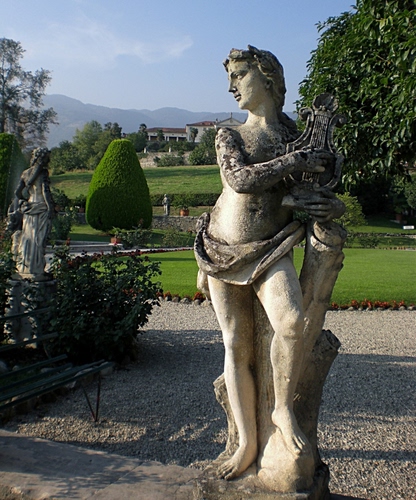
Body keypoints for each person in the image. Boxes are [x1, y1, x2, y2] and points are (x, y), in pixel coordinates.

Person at [195, 46, 342, 481]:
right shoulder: (229, 135)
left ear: (268, 77)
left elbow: (312, 188)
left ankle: (281, 409)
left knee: (292, 323)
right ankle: (246, 443)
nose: (231, 86)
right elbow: (239, 180)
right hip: (223, 247)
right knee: (236, 343)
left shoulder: (296, 135)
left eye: (240, 75)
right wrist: (296, 160)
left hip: (272, 245)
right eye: (231, 77)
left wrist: (328, 206)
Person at [13, 147, 54, 279]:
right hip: (41, 207)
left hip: (29, 208)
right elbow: (45, 191)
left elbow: (17, 192)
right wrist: (51, 208)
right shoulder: (43, 172)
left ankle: (25, 267)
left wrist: (24, 201)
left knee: (28, 238)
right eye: (47, 157)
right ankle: (36, 269)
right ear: (42, 158)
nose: (48, 160)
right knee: (39, 240)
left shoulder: (25, 173)